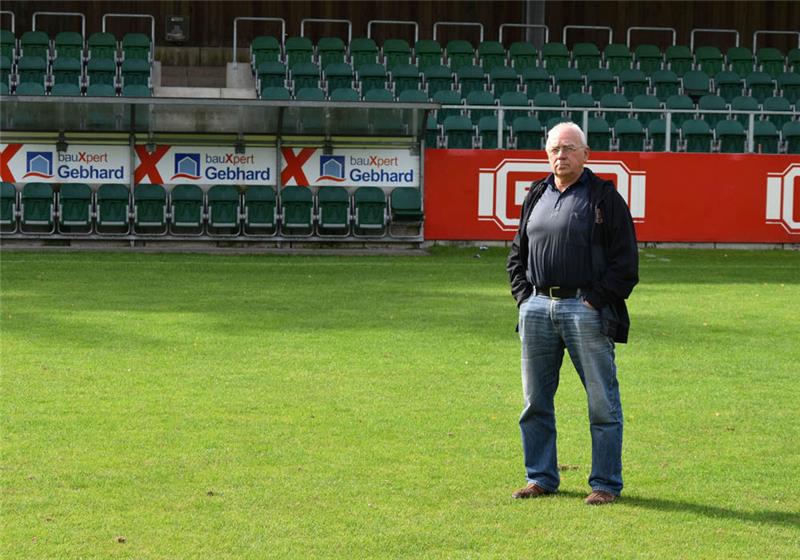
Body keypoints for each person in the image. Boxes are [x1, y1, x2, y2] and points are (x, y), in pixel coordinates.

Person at [506, 122, 639, 505]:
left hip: (586, 311)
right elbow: (517, 252)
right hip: (537, 308)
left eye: (568, 148)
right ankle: (541, 477)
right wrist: (524, 297)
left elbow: (625, 263)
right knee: (535, 401)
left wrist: (594, 301)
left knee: (601, 402)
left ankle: (605, 484)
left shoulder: (604, 198)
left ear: (586, 154)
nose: (560, 156)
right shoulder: (536, 193)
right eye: (554, 149)